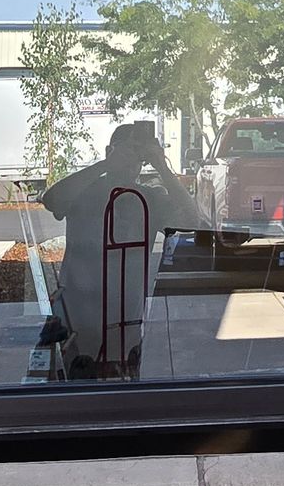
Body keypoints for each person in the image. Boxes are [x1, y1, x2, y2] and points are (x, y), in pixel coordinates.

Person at [41, 122, 203, 373]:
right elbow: (52, 200)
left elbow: (191, 222)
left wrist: (161, 165)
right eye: (124, 151)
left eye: (137, 154)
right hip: (76, 315)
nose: (130, 160)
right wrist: (106, 165)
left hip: (126, 318)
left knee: (122, 389)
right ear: (109, 151)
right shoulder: (84, 191)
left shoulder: (150, 198)